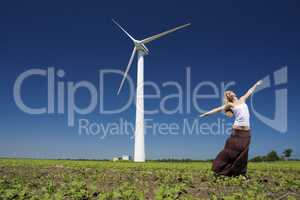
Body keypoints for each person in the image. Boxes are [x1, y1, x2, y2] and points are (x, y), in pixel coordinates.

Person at [200, 80, 262, 176]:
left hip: (246, 131)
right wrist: (205, 114)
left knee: (243, 152)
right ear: (228, 97)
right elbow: (217, 109)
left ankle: (240, 173)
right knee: (230, 151)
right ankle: (219, 168)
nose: (230, 93)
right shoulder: (230, 105)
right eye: (228, 93)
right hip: (236, 131)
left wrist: (256, 84)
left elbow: (250, 91)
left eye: (230, 92)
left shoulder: (242, 99)